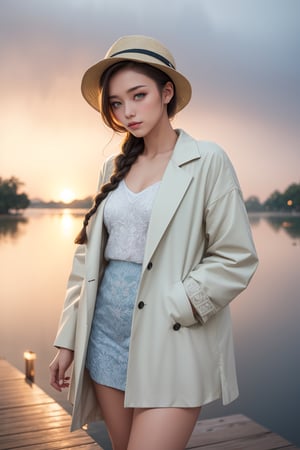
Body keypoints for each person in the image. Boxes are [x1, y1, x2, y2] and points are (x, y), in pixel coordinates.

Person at [49, 35, 258, 450]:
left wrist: (179, 302)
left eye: (138, 95)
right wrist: (68, 338)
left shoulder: (208, 160)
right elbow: (87, 258)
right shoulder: (112, 166)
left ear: (167, 93)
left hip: (171, 337)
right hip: (105, 338)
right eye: (116, 103)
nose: (127, 112)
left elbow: (236, 256)